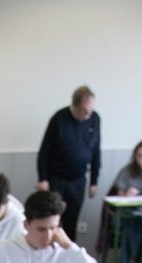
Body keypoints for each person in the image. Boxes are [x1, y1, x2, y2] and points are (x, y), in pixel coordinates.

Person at [36, 86, 101, 241]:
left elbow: (96, 150)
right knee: (53, 220)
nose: (88, 114)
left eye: (91, 109)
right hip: (57, 179)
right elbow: (44, 151)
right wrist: (43, 178)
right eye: (85, 110)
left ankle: (69, 256)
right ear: (75, 106)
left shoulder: (95, 119)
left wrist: (94, 181)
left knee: (72, 222)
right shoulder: (59, 118)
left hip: (78, 180)